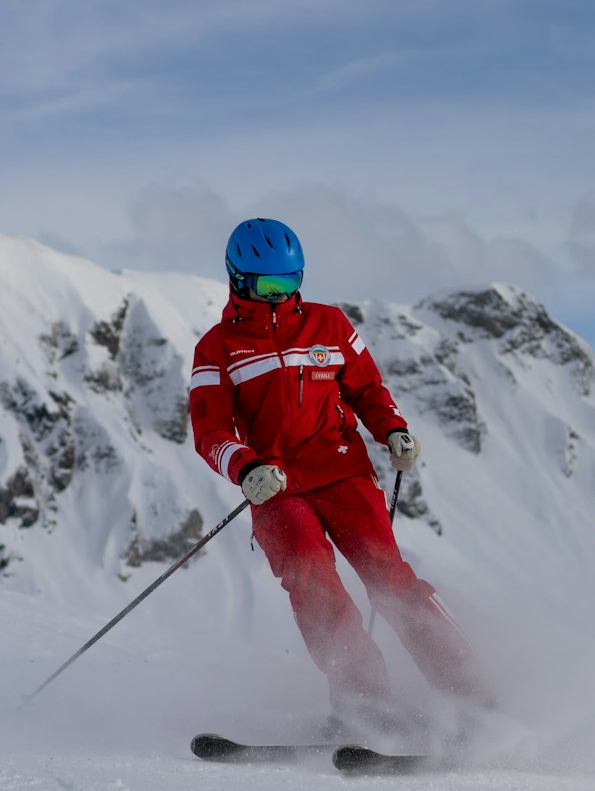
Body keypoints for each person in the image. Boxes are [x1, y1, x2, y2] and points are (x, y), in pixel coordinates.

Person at [189, 216, 493, 735]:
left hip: (343, 471)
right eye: (271, 287)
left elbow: (367, 389)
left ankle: (470, 690)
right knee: (310, 575)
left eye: (293, 281)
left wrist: (392, 430)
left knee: (387, 574)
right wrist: (245, 466)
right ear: (239, 280)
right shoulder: (217, 348)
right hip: (275, 485)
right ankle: (365, 705)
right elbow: (209, 430)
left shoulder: (329, 325)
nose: (285, 296)